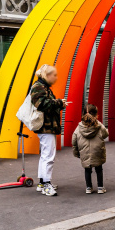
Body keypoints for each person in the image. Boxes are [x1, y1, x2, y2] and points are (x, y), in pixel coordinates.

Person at [31, 64, 70, 196]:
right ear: (47, 75)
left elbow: (46, 104)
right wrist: (58, 102)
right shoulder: (39, 87)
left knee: (45, 155)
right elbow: (41, 104)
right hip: (46, 127)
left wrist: (59, 104)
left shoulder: (42, 87)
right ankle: (46, 185)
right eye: (54, 75)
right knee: (48, 156)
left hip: (47, 127)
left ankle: (42, 183)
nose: (56, 78)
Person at [72, 104, 108, 194]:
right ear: (96, 115)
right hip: (97, 151)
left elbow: (74, 140)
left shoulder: (79, 127)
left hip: (84, 151)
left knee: (87, 169)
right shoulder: (99, 125)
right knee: (99, 168)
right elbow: (105, 134)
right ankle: (100, 187)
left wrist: (76, 152)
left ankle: (89, 187)